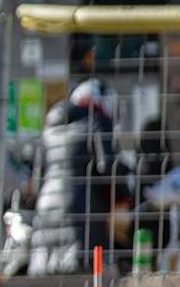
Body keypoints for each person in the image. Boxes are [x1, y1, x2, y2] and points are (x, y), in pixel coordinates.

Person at [24, 79, 121, 276]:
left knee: (48, 279)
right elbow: (108, 167)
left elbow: (36, 180)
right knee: (86, 280)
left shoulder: (49, 127)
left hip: (46, 210)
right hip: (82, 209)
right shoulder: (97, 120)